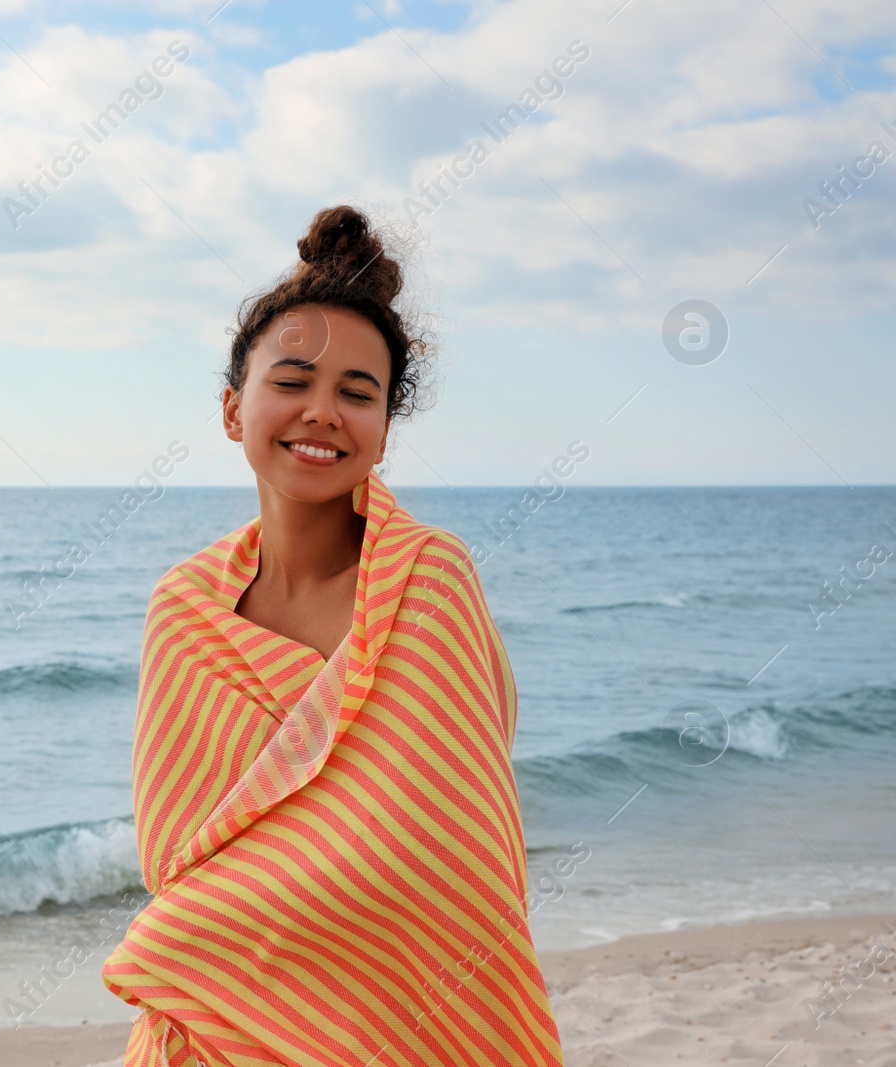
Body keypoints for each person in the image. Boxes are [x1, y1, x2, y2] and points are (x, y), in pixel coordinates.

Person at [101, 206, 564, 1066]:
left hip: (395, 1023)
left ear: (384, 430)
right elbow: (177, 857)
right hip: (213, 1032)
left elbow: (454, 846)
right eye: (294, 380)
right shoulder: (185, 609)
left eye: (358, 393)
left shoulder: (429, 581)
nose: (322, 411)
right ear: (235, 409)